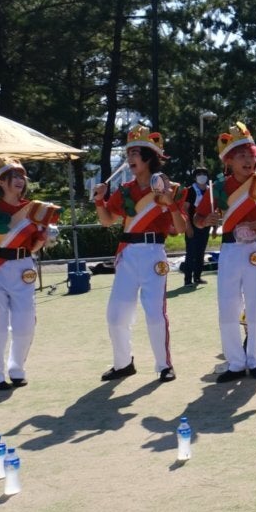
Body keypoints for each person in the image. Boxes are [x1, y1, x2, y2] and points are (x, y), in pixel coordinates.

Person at [194, 121, 256, 382]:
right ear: (229, 161)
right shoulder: (218, 189)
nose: (247, 160)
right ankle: (235, 363)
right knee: (228, 306)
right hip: (230, 248)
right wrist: (206, 220)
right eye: (241, 156)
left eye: (250, 155)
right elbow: (197, 220)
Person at [94, 125, 184, 383]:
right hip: (127, 254)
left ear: (149, 156)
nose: (130, 158)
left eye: (135, 153)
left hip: (154, 253)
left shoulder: (168, 188)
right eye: (128, 153)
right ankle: (123, 364)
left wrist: (171, 203)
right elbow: (107, 221)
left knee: (155, 314)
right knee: (115, 315)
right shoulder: (124, 190)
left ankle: (164, 365)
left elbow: (180, 229)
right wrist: (99, 200)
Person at [0, 158, 51, 390]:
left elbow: (34, 247)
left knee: (25, 325)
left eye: (21, 176)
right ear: (1, 182)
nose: (20, 180)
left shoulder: (33, 210)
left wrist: (43, 237)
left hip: (23, 267)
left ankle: (16, 369)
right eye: (14, 176)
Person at [183, 166, 212, 286]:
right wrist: (188, 226)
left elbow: (213, 208)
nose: (202, 177)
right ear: (195, 178)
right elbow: (185, 209)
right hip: (192, 225)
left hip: (205, 225)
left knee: (201, 251)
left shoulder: (210, 190)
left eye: (204, 174)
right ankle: (187, 279)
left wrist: (214, 227)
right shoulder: (190, 190)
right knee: (191, 252)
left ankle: (197, 277)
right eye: (199, 174)